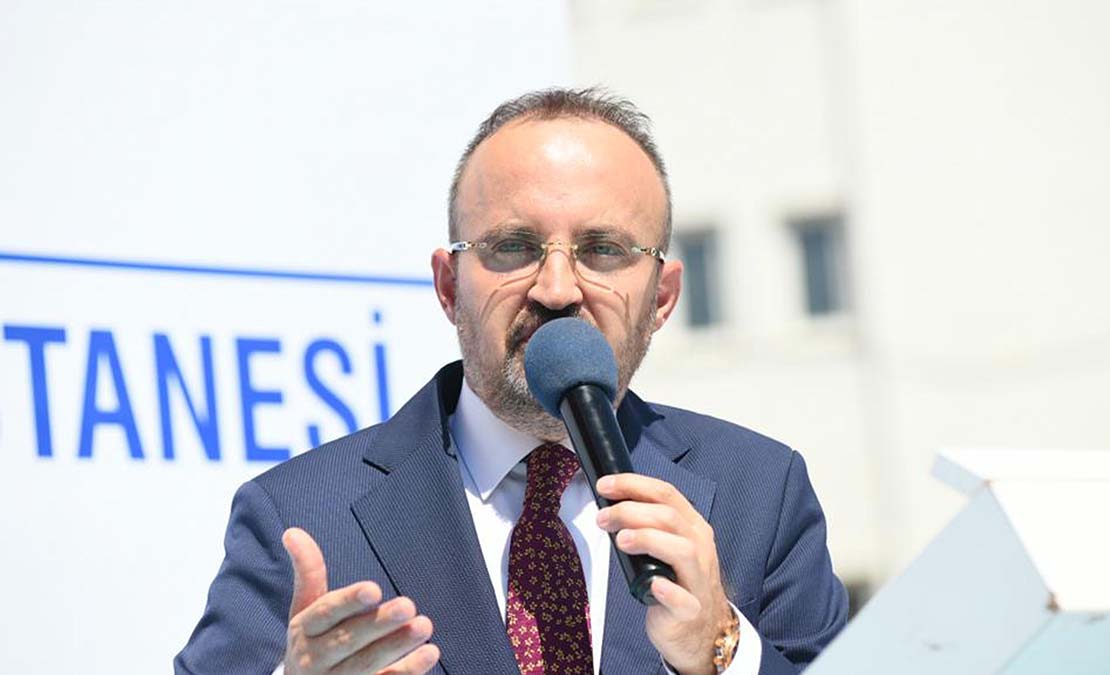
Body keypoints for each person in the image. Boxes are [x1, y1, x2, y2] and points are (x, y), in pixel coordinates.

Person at [176, 87, 847, 675]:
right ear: (449, 286)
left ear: (662, 298)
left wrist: (721, 650)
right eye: (514, 247)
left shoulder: (761, 493)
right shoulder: (300, 514)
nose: (557, 289)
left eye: (603, 250)